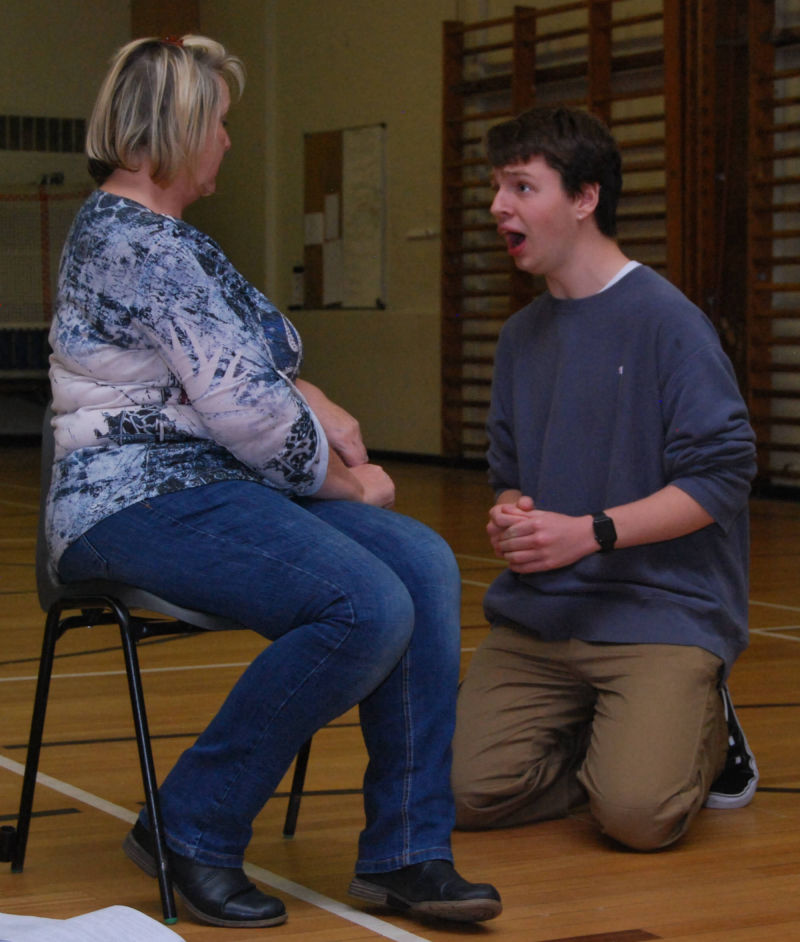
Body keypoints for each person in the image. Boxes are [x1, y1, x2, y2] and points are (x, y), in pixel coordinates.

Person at [47, 35, 501, 928]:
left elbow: (258, 368)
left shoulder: (171, 238)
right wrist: (344, 482)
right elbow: (248, 410)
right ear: (179, 129)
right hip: (127, 498)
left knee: (423, 564)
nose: (224, 139)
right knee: (366, 604)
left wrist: (314, 396)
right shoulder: (145, 248)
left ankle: (408, 850)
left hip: (200, 482)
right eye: (218, 122)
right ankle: (193, 824)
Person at [451, 106, 759, 852]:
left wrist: (591, 533)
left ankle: (703, 738)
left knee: (637, 818)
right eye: (497, 188)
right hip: (544, 617)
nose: (499, 207)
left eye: (522, 187)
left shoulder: (667, 322)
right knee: (465, 793)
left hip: (661, 613)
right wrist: (512, 513)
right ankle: (619, 736)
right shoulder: (521, 338)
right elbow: (509, 473)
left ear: (585, 198)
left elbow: (723, 477)